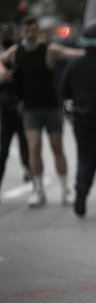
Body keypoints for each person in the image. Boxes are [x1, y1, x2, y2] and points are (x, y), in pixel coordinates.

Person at [0, 15, 83, 208]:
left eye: (34, 31)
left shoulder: (50, 51)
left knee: (57, 147)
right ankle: (38, 190)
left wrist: (92, 50)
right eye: (27, 31)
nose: (30, 35)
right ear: (22, 33)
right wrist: (3, 71)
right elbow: (1, 60)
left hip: (51, 107)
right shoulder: (16, 51)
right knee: (34, 146)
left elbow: (72, 54)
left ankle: (65, 190)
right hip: (30, 109)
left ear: (39, 32)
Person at [60, 22, 96, 217]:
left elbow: (63, 92)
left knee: (86, 159)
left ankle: (82, 190)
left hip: (83, 118)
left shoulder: (75, 64)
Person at [0, 23, 30, 194]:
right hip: (6, 109)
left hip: (22, 107)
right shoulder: (4, 59)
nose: (7, 38)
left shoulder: (20, 54)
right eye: (4, 36)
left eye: (9, 35)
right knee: (3, 149)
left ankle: (30, 171)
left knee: (26, 145)